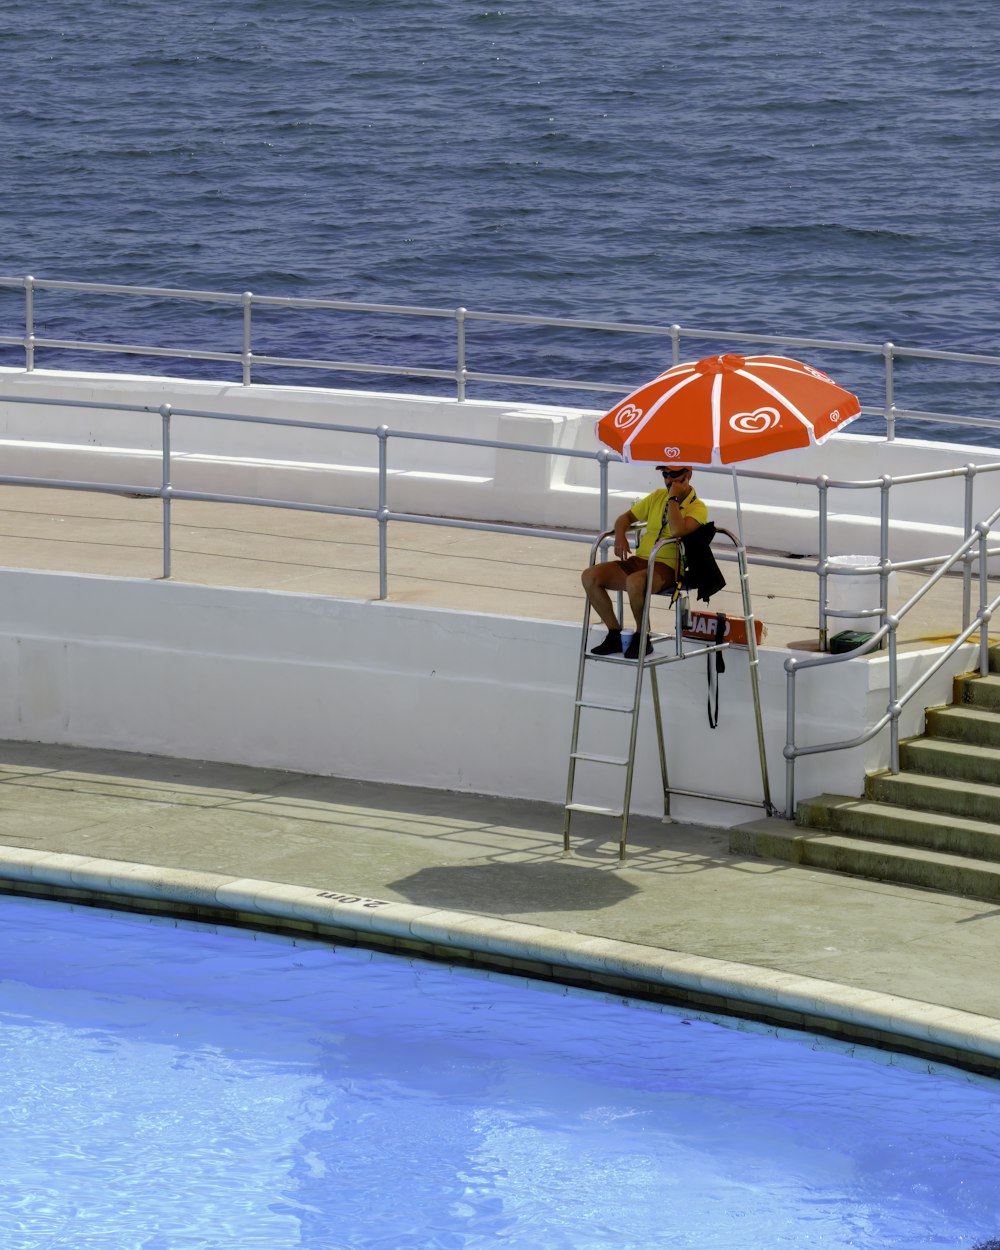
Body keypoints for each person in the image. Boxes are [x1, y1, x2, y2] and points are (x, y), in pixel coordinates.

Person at [581, 464, 708, 659]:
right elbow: (626, 517)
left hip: (668, 568)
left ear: (688, 475)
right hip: (640, 561)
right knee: (590, 576)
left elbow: (677, 531)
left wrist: (673, 498)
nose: (669, 480)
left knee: (635, 582)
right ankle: (614, 633)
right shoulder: (657, 496)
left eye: (675, 476)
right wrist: (621, 535)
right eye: (666, 475)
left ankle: (642, 636)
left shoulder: (698, 508)